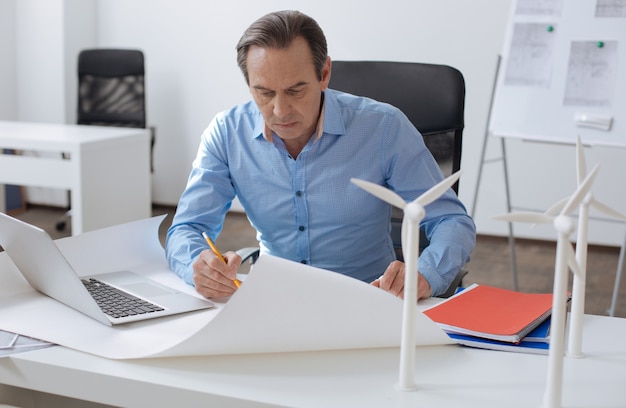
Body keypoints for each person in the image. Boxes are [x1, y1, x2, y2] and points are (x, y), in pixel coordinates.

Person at [165, 10, 476, 301]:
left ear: (324, 73)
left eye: (295, 90)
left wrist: (425, 273)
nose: (280, 110)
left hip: (368, 299)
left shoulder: (384, 128)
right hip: (274, 301)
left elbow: (451, 219)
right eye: (264, 92)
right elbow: (186, 228)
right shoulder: (227, 133)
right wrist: (198, 265)